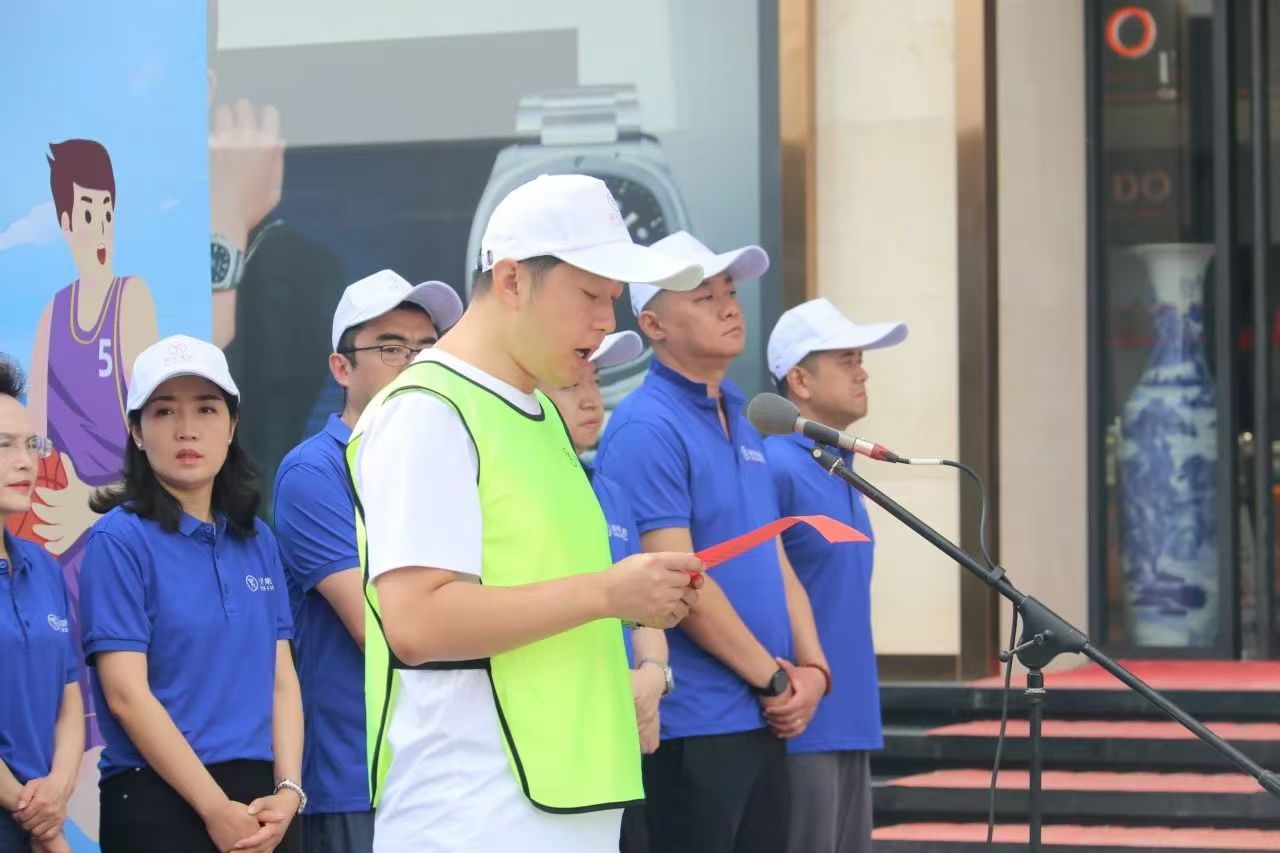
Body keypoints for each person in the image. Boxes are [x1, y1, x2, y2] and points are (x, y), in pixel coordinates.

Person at [351, 173, 706, 852]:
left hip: (566, 799)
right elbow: (417, 622)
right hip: (474, 811)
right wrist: (609, 593)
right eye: (591, 295)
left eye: (613, 299)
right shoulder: (427, 411)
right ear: (513, 279)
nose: (607, 322)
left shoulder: (536, 411)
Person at [595, 230, 832, 853]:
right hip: (695, 726)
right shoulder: (647, 425)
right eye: (705, 298)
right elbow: (680, 580)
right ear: (653, 325)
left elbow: (772, 554)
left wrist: (813, 670)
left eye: (730, 293)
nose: (730, 308)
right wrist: (773, 680)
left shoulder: (744, 415)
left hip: (763, 714)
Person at [79, 335, 303, 853]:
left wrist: (289, 791)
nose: (187, 429)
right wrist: (213, 808)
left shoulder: (257, 539)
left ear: (232, 426)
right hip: (157, 798)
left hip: (263, 803)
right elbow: (127, 696)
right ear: (137, 432)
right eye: (163, 412)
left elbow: (282, 680)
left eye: (206, 408)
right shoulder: (119, 539)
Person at [273, 269, 463, 853]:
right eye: (391, 348)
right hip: (361, 777)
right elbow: (379, 628)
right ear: (342, 368)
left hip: (457, 774)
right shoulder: (313, 473)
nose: (414, 363)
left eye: (427, 348)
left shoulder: (455, 462)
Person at [15, 139, 159, 750]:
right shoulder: (52, 315)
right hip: (56, 543)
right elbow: (33, 444)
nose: (100, 225)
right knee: (57, 728)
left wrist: (89, 506)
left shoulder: (132, 300)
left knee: (122, 722)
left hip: (119, 532)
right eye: (87, 211)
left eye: (108, 210)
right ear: (65, 221)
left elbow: (156, 460)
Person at [765, 298, 907, 853]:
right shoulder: (776, 465)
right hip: (800, 725)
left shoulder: (836, 466)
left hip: (851, 715)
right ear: (799, 380)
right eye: (846, 360)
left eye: (860, 360)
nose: (862, 372)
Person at [539, 330, 670, 853]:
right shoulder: (522, 489)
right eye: (573, 385)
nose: (592, 400)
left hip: (620, 744)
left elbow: (646, 609)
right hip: (555, 745)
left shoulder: (607, 488)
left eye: (595, 382)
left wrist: (653, 678)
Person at [0, 356, 83, 853]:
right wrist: (40, 821)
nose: (26, 461)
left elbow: (69, 694)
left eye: (32, 445)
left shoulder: (43, 567)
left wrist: (57, 792)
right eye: (4, 445)